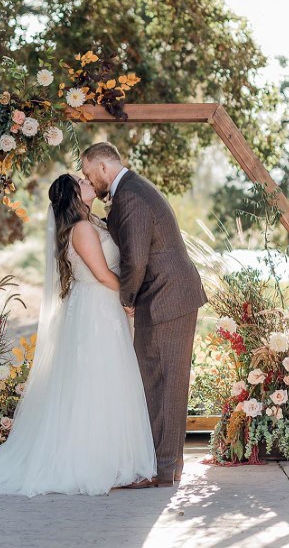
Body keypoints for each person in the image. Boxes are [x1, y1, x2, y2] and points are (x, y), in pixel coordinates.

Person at [0, 174, 156, 497]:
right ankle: (97, 459)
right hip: (97, 309)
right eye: (81, 180)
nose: (87, 180)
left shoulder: (89, 221)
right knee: (100, 380)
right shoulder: (81, 229)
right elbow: (104, 275)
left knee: (103, 380)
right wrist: (131, 296)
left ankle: (111, 455)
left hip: (98, 307)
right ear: (74, 196)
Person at [81, 142, 208, 487]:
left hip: (168, 297)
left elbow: (135, 259)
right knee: (154, 379)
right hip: (165, 295)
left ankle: (164, 471)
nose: (87, 179)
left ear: (104, 167)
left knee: (165, 382)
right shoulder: (130, 191)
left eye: (89, 172)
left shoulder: (130, 196)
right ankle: (157, 465)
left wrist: (126, 299)